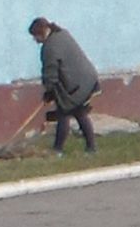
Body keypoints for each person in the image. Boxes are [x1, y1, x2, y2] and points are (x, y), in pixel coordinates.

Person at [28, 17, 100, 154]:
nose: (35, 40)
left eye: (35, 36)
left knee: (64, 114)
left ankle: (58, 150)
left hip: (75, 85)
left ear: (41, 33)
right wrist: (51, 92)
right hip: (86, 79)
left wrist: (49, 91)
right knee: (79, 113)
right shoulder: (62, 34)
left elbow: (50, 73)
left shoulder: (49, 48)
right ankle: (91, 148)